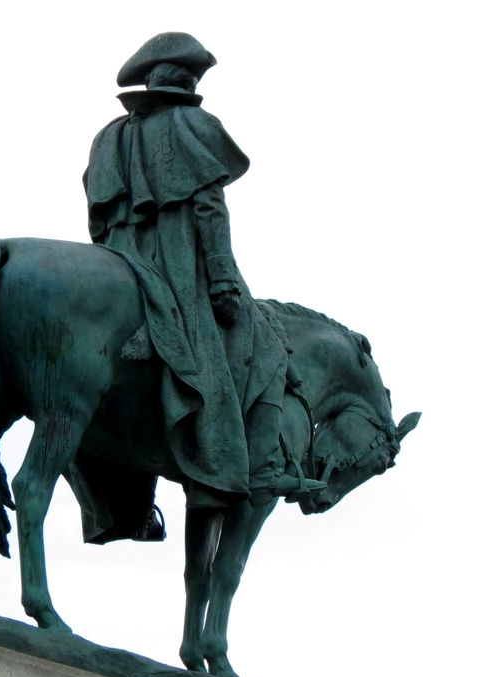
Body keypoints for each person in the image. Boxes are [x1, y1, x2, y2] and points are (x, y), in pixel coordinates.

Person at [83, 32, 324, 508]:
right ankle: (260, 467)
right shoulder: (195, 123)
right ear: (188, 84)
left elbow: (97, 212)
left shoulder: (108, 137)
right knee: (265, 346)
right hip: (179, 262)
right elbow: (210, 208)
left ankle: (124, 504)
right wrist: (221, 276)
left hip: (118, 256)